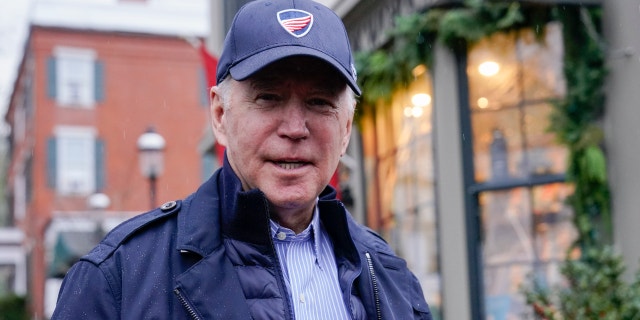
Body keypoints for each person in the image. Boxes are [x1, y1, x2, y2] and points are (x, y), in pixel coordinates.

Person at [52, 0, 432, 319]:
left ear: (346, 127)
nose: (295, 127)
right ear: (220, 116)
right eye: (268, 98)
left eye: (319, 102)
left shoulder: (390, 275)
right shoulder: (118, 278)